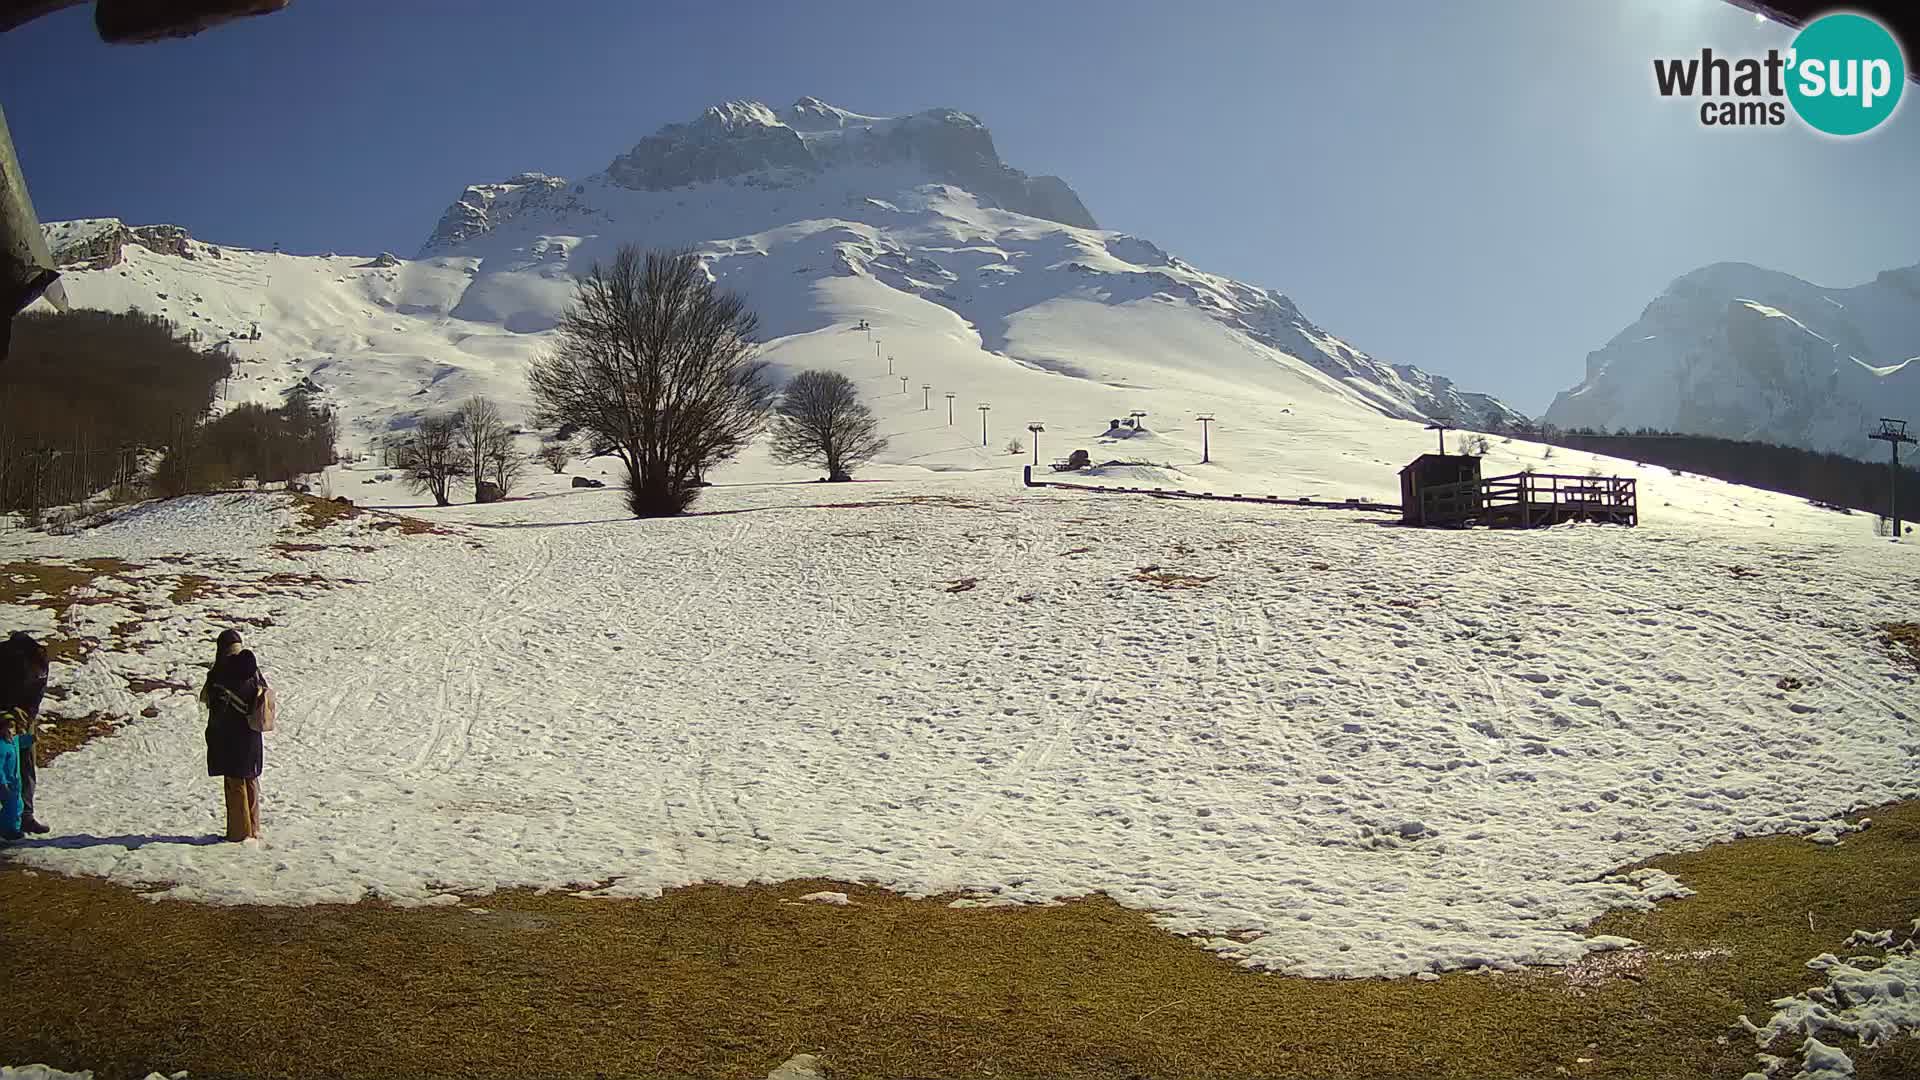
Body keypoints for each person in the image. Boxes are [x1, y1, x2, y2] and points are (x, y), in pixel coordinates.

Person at [200, 629, 265, 842]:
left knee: (234, 783)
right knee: (250, 780)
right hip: (252, 733)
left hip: (229, 735)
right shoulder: (253, 669)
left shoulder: (221, 671)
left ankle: (239, 833)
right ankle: (254, 829)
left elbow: (210, 700)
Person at [0, 630, 51, 834]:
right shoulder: (5, 660)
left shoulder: (40, 661)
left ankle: (25, 816)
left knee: (26, 762)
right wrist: (4, 718)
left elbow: (36, 695)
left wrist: (26, 720)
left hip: (21, 715)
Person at [0, 706, 20, 842]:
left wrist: (31, 738)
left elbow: (22, 741)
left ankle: (14, 828)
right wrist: (2, 782)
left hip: (14, 781)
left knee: (17, 805)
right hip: (5, 782)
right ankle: (6, 830)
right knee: (9, 807)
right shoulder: (2, 746)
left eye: (12, 727)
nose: (10, 730)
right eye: (7, 727)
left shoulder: (13, 741)